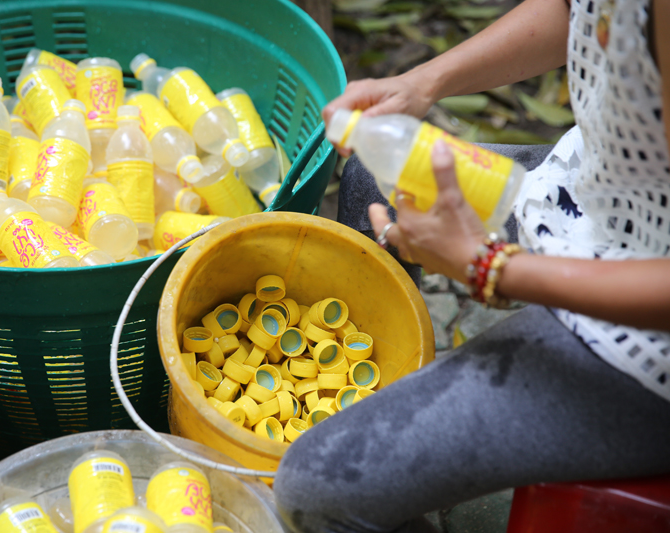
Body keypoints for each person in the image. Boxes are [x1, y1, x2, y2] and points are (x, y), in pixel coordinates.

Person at [273, 0, 670, 531]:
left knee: (315, 489)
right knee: (376, 175)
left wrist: (490, 268)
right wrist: (423, 82)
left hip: (644, 334)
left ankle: (383, 465)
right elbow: (578, 11)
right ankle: (387, 409)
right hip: (599, 203)